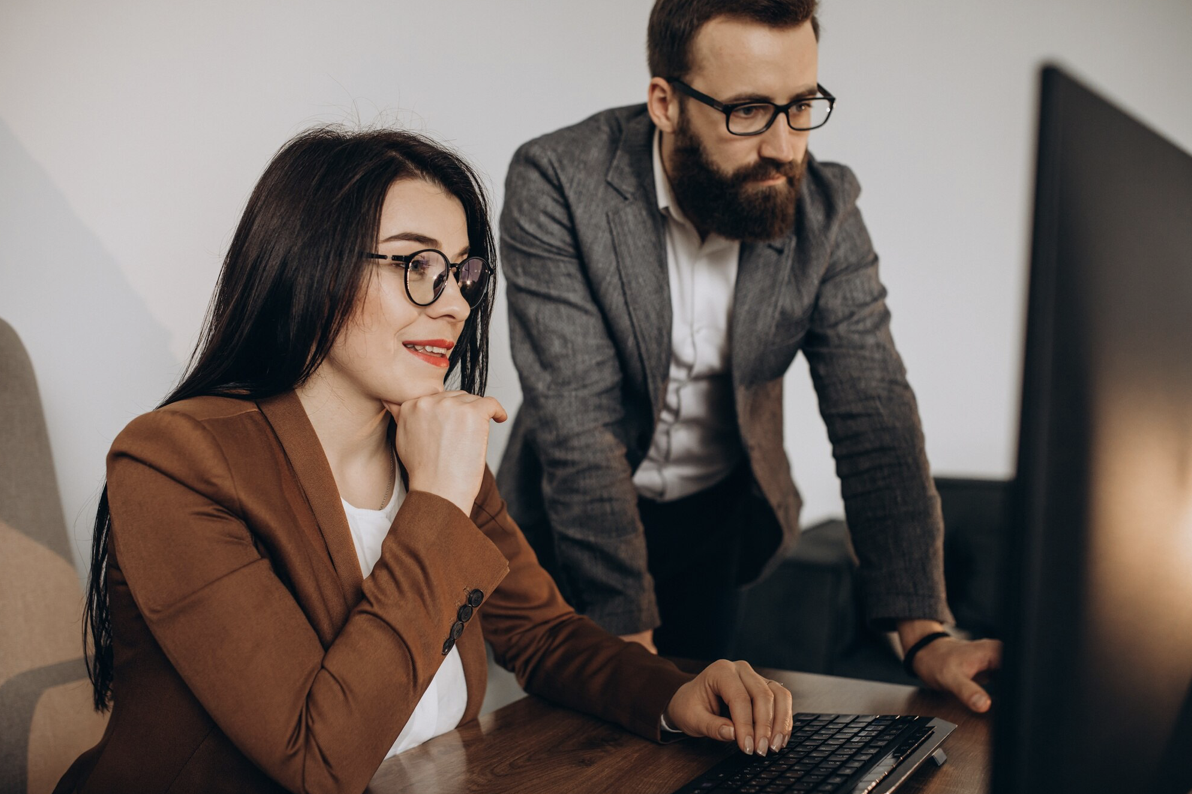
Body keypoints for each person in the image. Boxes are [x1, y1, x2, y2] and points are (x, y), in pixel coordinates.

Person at [57, 127, 795, 794]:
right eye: (416, 264)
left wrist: (672, 695)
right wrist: (438, 502)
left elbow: (541, 635)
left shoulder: (434, 447)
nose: (454, 305)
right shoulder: (176, 462)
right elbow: (319, 758)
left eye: (462, 273)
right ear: (311, 266)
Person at [496, 0, 1001, 711]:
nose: (784, 146)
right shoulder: (557, 182)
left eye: (801, 107)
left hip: (718, 532)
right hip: (571, 534)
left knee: (702, 756)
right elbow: (579, 429)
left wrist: (927, 635)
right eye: (748, 112)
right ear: (665, 102)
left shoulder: (826, 209)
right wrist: (634, 667)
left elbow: (874, 418)